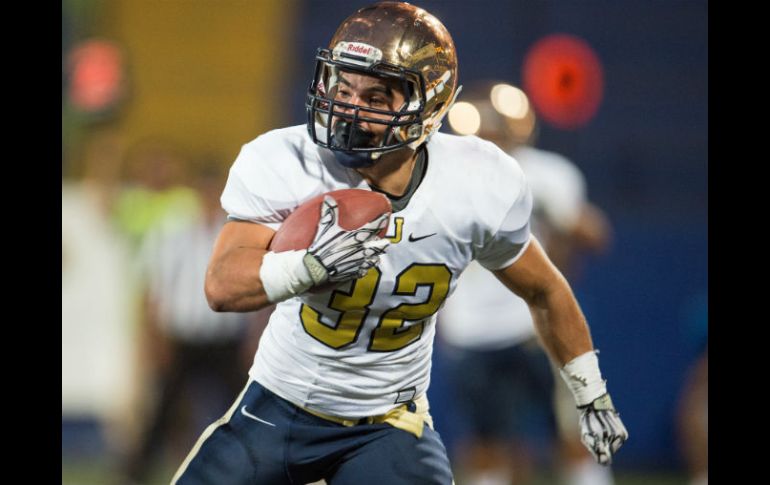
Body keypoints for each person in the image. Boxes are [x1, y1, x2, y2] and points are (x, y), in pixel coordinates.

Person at [172, 3, 628, 484]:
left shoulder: (478, 181)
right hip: (280, 405)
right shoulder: (286, 159)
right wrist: (305, 268)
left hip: (387, 423)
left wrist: (589, 391)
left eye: (375, 97)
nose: (349, 108)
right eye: (342, 88)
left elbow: (545, 290)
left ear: (428, 107)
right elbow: (222, 286)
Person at [440, 81, 615, 485]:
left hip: (534, 327)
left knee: (573, 434)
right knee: (485, 445)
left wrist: (555, 211)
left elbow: (593, 235)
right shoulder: (445, 177)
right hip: (472, 331)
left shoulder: (545, 173)